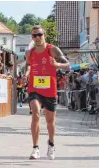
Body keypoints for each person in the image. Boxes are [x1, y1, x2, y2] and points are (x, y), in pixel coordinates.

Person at [24, 25, 70, 160]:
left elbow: (67, 65)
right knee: (36, 114)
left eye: (39, 35)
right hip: (34, 88)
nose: (37, 38)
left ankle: (51, 144)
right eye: (34, 36)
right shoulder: (30, 53)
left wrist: (57, 65)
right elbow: (28, 64)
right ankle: (35, 148)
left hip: (49, 90)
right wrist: (26, 73)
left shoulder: (53, 50)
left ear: (44, 35)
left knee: (50, 121)